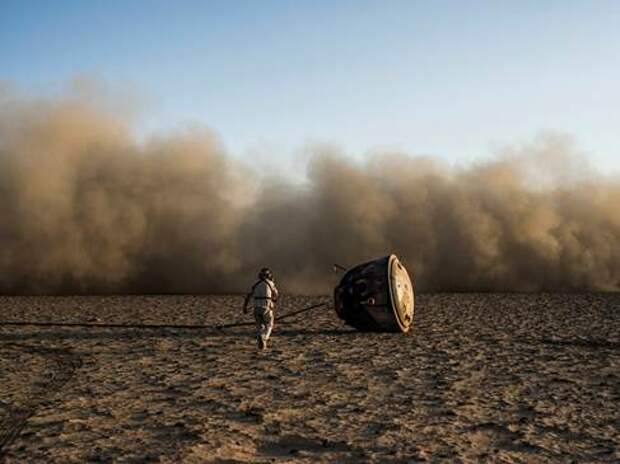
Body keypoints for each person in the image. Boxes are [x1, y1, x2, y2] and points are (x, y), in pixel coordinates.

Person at [243, 267, 279, 350]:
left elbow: (248, 296)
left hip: (256, 308)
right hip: (266, 307)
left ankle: (260, 335)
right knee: (270, 324)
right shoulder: (270, 283)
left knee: (260, 325)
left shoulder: (255, 283)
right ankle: (265, 338)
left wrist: (244, 307)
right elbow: (276, 295)